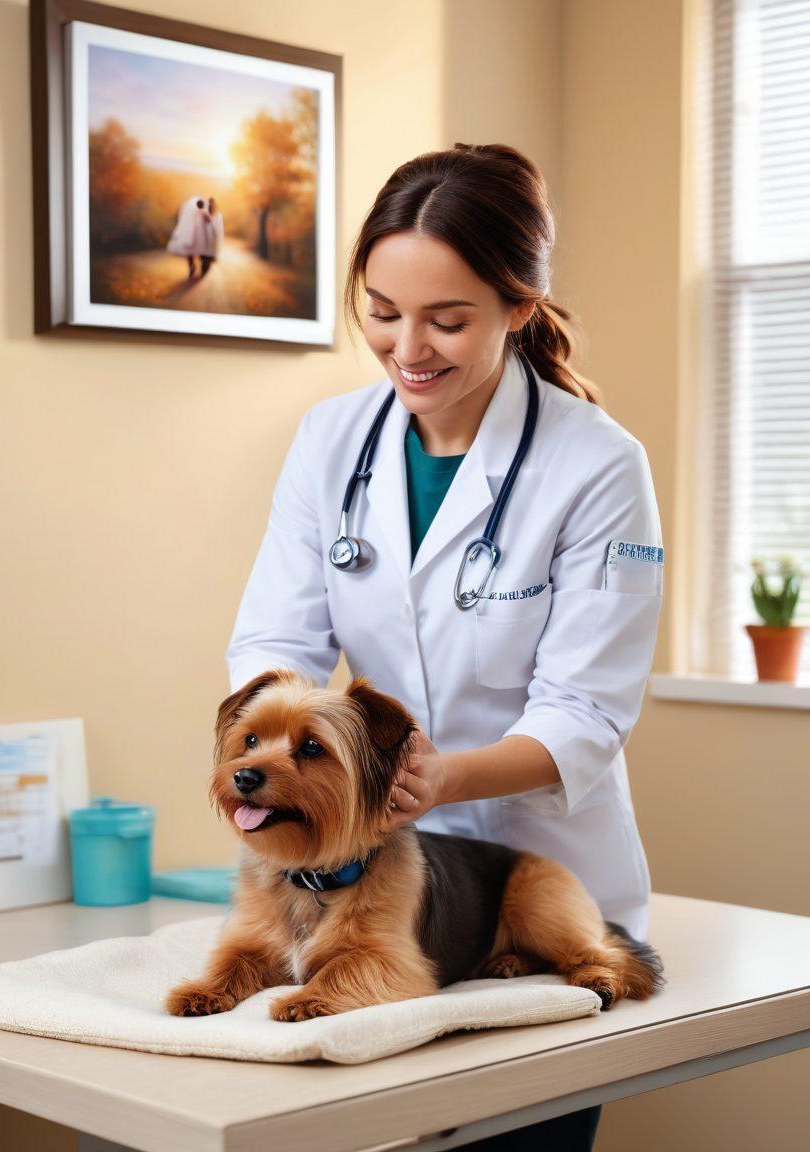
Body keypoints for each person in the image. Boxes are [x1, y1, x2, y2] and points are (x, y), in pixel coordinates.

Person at [224, 142, 664, 1150]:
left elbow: (584, 713)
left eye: (446, 320)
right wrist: (285, 760)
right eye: (381, 312)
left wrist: (435, 779)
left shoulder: (596, 466)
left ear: (517, 305)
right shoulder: (329, 441)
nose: (406, 348)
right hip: (364, 888)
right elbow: (273, 638)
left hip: (530, 898)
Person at [166, 195, 222, 278]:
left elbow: (187, 225)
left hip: (191, 236)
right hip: (200, 238)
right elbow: (209, 226)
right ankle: (197, 267)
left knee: (190, 253)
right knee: (200, 252)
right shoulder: (204, 214)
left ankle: (192, 267)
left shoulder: (192, 214)